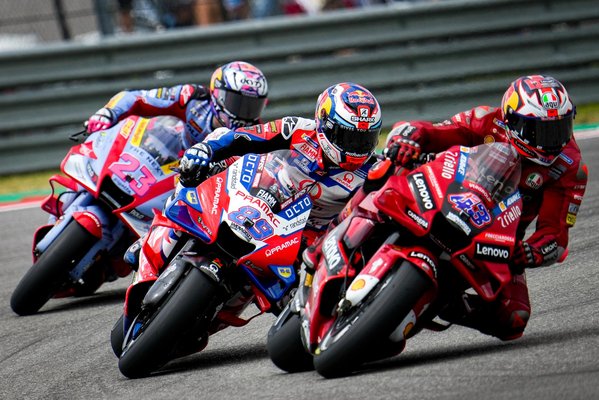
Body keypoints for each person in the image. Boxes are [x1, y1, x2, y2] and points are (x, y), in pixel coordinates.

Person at [123, 82, 382, 333]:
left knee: (297, 296)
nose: (356, 148)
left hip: (304, 236)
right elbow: (244, 137)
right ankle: (160, 232)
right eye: (348, 137)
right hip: (261, 195)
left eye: (364, 139)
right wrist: (205, 150)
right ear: (324, 124)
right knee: (206, 160)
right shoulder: (298, 129)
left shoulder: (372, 172)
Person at [383, 74, 588, 340]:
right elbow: (433, 132)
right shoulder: (486, 120)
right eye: (539, 130)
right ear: (512, 120)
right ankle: (352, 218)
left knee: (514, 318)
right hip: (443, 196)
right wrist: (409, 139)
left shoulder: (570, 167)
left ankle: (444, 302)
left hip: (498, 238)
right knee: (388, 169)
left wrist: (532, 252)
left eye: (559, 128)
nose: (551, 141)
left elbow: (556, 236)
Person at [86, 60, 268, 149]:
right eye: (237, 102)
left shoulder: (258, 137)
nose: (244, 113)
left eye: (251, 106)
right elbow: (136, 97)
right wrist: (108, 113)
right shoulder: (191, 97)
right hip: (170, 162)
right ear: (218, 94)